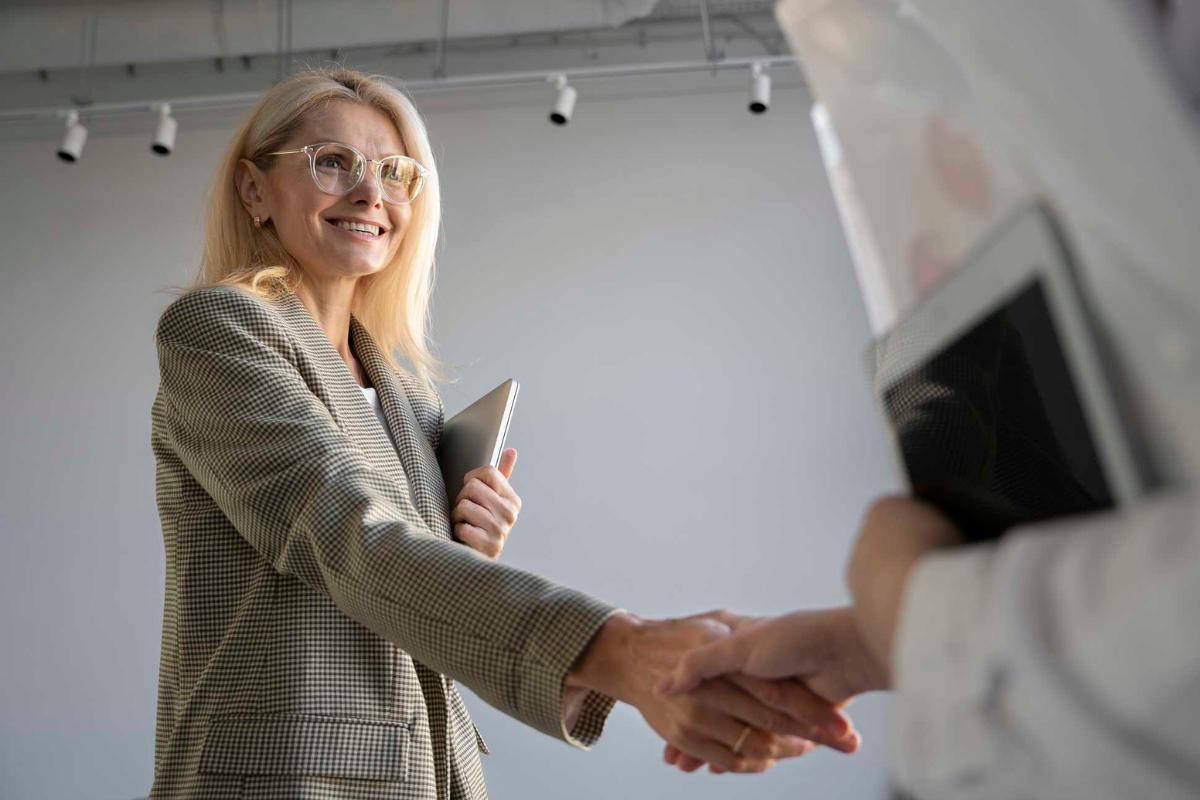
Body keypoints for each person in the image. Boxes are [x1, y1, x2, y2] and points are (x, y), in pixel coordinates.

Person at [148, 66, 862, 800]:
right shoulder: (217, 331)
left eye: (397, 173)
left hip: (426, 769)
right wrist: (623, 651)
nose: (371, 192)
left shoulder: (402, 389)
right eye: (334, 163)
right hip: (286, 775)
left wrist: (467, 551)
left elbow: (400, 582)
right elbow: (342, 535)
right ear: (254, 189)